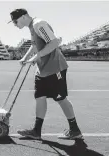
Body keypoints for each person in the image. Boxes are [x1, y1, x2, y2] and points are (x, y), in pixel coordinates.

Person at [8, 8, 83, 140]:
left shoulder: (38, 24)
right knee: (40, 97)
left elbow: (54, 42)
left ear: (24, 16)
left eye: (15, 21)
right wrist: (25, 57)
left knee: (60, 98)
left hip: (55, 67)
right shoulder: (32, 27)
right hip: (42, 69)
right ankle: (36, 131)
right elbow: (35, 45)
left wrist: (36, 57)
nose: (15, 24)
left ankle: (75, 130)